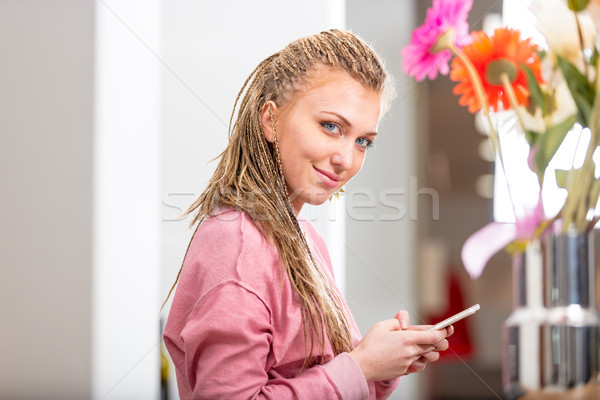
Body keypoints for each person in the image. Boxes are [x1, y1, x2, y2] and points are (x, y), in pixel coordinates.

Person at [162, 29, 452, 400]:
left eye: (363, 141)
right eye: (331, 126)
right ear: (271, 120)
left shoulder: (304, 239)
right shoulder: (235, 246)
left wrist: (381, 365)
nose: (346, 159)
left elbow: (321, 374)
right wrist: (360, 367)